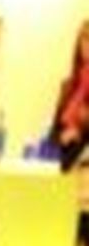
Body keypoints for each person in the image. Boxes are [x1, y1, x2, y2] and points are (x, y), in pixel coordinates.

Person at [50, 19, 89, 172]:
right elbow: (53, 134)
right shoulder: (68, 86)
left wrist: (79, 131)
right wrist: (63, 136)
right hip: (65, 163)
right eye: (84, 39)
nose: (87, 46)